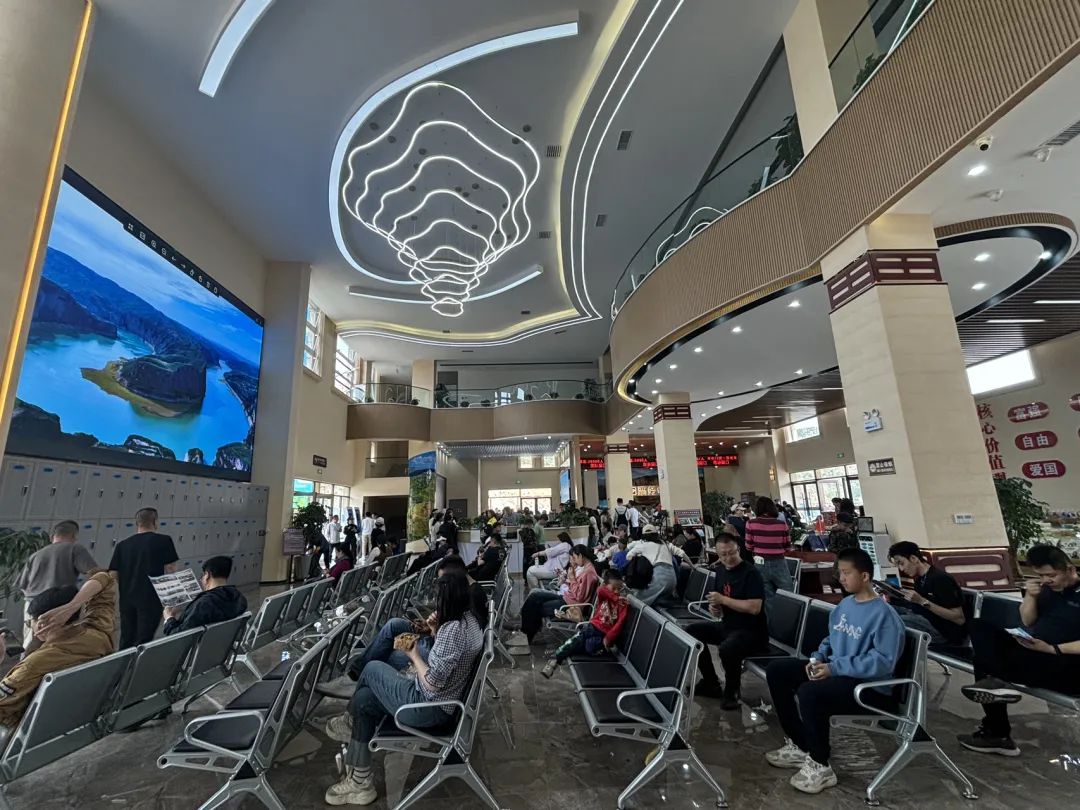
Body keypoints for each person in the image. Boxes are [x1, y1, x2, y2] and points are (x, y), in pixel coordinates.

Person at [323, 570, 484, 805]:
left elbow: (433, 684)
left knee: (373, 668)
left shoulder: (454, 630)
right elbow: (446, 660)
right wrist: (435, 630)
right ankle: (360, 782)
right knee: (364, 699)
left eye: (439, 598)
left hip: (427, 707)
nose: (436, 603)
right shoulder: (469, 622)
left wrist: (413, 655)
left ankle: (350, 725)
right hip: (440, 702)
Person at [764, 547, 904, 795]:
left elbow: (883, 662)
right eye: (839, 573)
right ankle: (801, 744)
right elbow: (831, 639)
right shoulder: (846, 604)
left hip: (869, 687)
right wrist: (817, 658)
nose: (841, 578)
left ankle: (820, 763)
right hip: (838, 672)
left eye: (847, 573)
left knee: (810, 692)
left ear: (865, 576)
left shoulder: (884, 616)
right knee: (778, 671)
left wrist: (833, 668)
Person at [957, 544, 1080, 757]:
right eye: (1040, 576)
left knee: (983, 663)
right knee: (979, 627)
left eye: (1051, 575)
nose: (1046, 580)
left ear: (1070, 569)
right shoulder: (1047, 591)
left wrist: (1053, 649)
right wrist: (1031, 597)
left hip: (1067, 663)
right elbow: (1028, 621)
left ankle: (997, 732)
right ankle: (997, 685)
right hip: (1036, 651)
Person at [0, 570, 117, 729]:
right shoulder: (99, 632)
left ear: (41, 624)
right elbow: (105, 578)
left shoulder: (33, 665)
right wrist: (72, 606)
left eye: (29, 623)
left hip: (29, 734)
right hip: (74, 722)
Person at [683, 533, 769, 709]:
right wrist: (716, 608)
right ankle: (710, 682)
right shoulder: (721, 571)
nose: (728, 558)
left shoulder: (751, 573)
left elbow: (754, 608)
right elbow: (721, 604)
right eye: (723, 554)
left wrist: (723, 600)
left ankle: (732, 692)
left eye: (732, 553)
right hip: (729, 625)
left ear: (738, 549)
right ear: (717, 553)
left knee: (728, 648)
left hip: (752, 631)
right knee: (692, 632)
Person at [16, 519, 96, 651]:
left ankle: (25, 664)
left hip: (32, 606)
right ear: (74, 536)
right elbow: (94, 573)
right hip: (57, 606)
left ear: (52, 536)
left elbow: (22, 584)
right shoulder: (74, 548)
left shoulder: (36, 555)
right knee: (56, 645)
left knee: (30, 645)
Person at [109, 507, 178, 649]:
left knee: (126, 637)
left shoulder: (122, 545)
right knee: (144, 639)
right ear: (155, 521)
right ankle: (138, 662)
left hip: (127, 599)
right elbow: (171, 569)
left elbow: (113, 573)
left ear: (137, 523)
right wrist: (173, 599)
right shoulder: (164, 540)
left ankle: (123, 662)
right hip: (151, 598)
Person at [541, 568, 630, 678]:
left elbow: (619, 624)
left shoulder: (622, 605)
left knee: (587, 646)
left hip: (603, 635)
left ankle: (559, 655)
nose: (616, 591)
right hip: (592, 627)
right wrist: (615, 598)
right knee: (577, 641)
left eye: (619, 589)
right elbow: (600, 590)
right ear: (605, 585)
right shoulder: (606, 596)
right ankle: (555, 658)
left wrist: (608, 638)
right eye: (614, 588)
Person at [886, 541, 967, 646]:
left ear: (913, 558)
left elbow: (959, 619)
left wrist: (922, 601)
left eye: (901, 563)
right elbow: (918, 606)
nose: (901, 569)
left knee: (891, 622)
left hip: (942, 632)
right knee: (884, 609)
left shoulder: (940, 579)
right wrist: (894, 597)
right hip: (923, 618)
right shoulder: (920, 580)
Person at [520, 545, 598, 644]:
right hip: (567, 598)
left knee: (534, 607)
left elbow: (579, 597)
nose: (574, 561)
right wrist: (568, 579)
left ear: (581, 556)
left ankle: (527, 633)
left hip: (571, 605)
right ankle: (527, 628)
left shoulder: (588, 573)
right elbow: (577, 590)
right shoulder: (586, 569)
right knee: (534, 597)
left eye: (574, 558)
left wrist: (572, 578)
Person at [163, 556, 247, 635]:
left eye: (202, 576)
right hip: (224, 643)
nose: (201, 580)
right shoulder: (240, 599)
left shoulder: (204, 604)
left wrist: (169, 618)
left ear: (207, 575)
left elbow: (179, 636)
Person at [744, 497, 793, 600]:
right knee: (788, 596)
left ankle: (770, 611)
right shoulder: (782, 524)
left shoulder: (751, 523)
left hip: (760, 562)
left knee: (766, 597)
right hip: (779, 562)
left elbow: (748, 546)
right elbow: (788, 547)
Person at [625, 524, 677, 605]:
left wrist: (640, 560)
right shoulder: (665, 544)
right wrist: (692, 566)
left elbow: (628, 556)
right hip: (673, 580)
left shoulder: (643, 545)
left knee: (635, 600)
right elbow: (681, 554)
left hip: (660, 579)